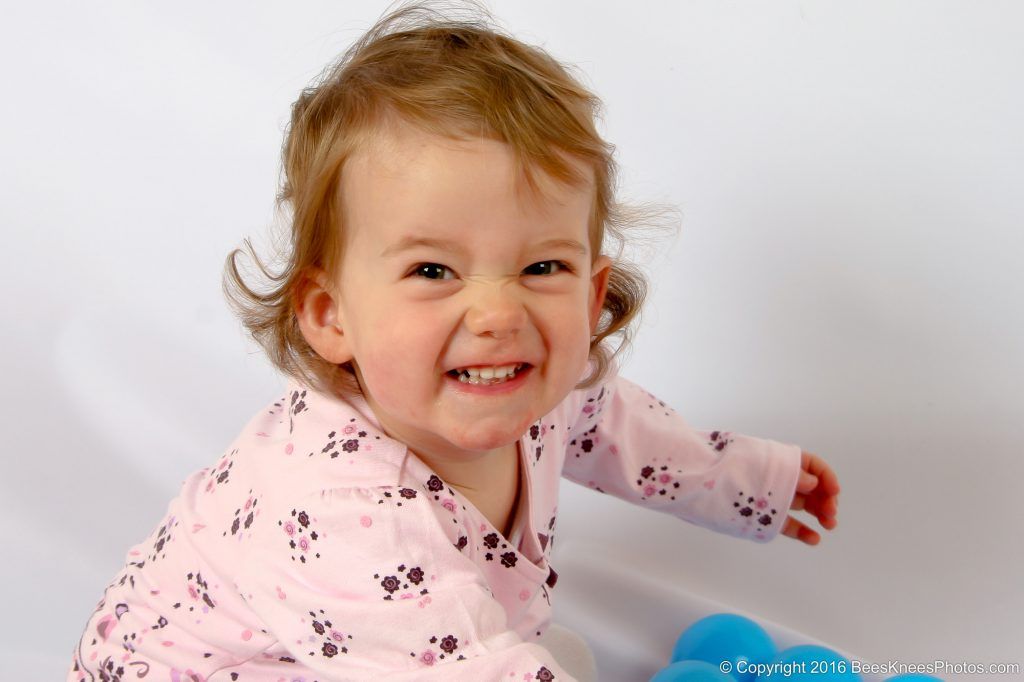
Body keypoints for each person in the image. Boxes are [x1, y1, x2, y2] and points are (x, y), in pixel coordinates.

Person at [68, 2, 840, 680]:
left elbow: (621, 430)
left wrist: (751, 482)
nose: (497, 313)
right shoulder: (337, 511)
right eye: (434, 269)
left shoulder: (531, 386)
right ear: (331, 314)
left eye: (542, 266)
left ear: (593, 291)